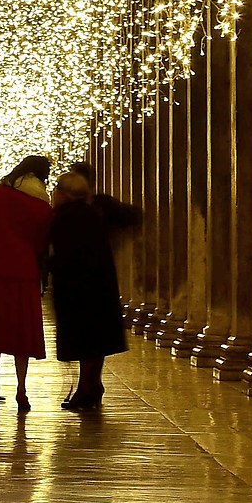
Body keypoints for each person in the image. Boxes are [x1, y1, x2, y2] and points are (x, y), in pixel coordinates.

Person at [48, 163, 142, 409]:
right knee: (94, 339)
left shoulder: (68, 218)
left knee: (84, 339)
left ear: (65, 194)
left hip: (78, 287)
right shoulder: (93, 212)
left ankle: (87, 388)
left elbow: (66, 255)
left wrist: (46, 265)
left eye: (57, 189)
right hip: (99, 284)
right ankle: (91, 385)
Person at [0, 154, 54, 410]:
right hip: (23, 270)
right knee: (21, 333)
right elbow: (42, 241)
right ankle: (21, 389)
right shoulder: (42, 205)